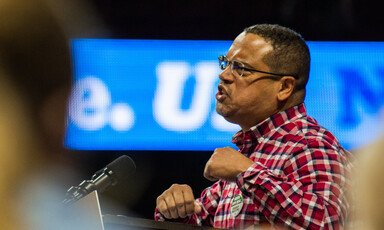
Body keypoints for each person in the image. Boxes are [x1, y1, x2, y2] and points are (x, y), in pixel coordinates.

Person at [155, 24, 353, 229]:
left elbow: (326, 223)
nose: (224, 75)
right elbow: (199, 218)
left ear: (284, 87)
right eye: (226, 63)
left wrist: (246, 172)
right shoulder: (253, 154)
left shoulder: (311, 145)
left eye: (241, 69)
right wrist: (176, 210)